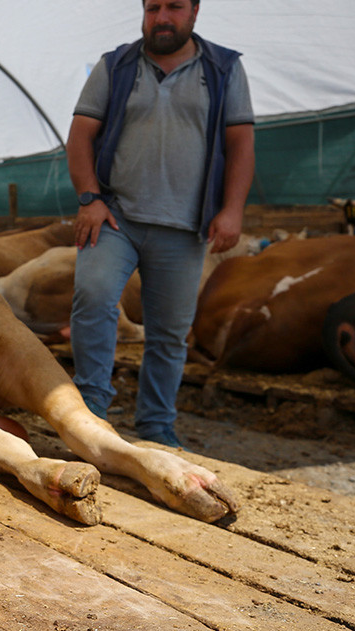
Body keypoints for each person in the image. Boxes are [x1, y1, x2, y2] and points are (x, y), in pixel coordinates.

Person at [66, 0, 255, 448]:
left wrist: (232, 210)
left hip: (185, 225)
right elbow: (80, 134)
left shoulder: (224, 68)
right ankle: (91, 410)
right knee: (93, 297)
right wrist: (89, 198)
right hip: (116, 216)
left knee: (170, 333)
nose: (162, 18)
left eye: (173, 8)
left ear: (194, 13)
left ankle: (155, 426)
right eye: (153, 8)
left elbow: (241, 142)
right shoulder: (116, 66)